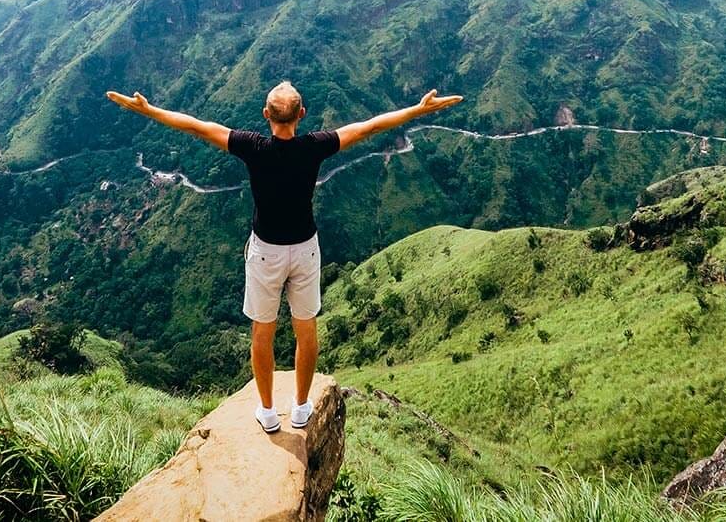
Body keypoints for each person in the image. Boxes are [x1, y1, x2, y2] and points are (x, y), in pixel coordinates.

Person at [106, 81, 462, 433]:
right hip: (305, 250)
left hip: (265, 253)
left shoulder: (252, 147)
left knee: (263, 332)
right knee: (305, 330)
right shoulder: (315, 147)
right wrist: (418, 109)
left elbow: (196, 126)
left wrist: (149, 110)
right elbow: (370, 126)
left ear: (266, 115)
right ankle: (301, 406)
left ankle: (267, 410)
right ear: (302, 115)